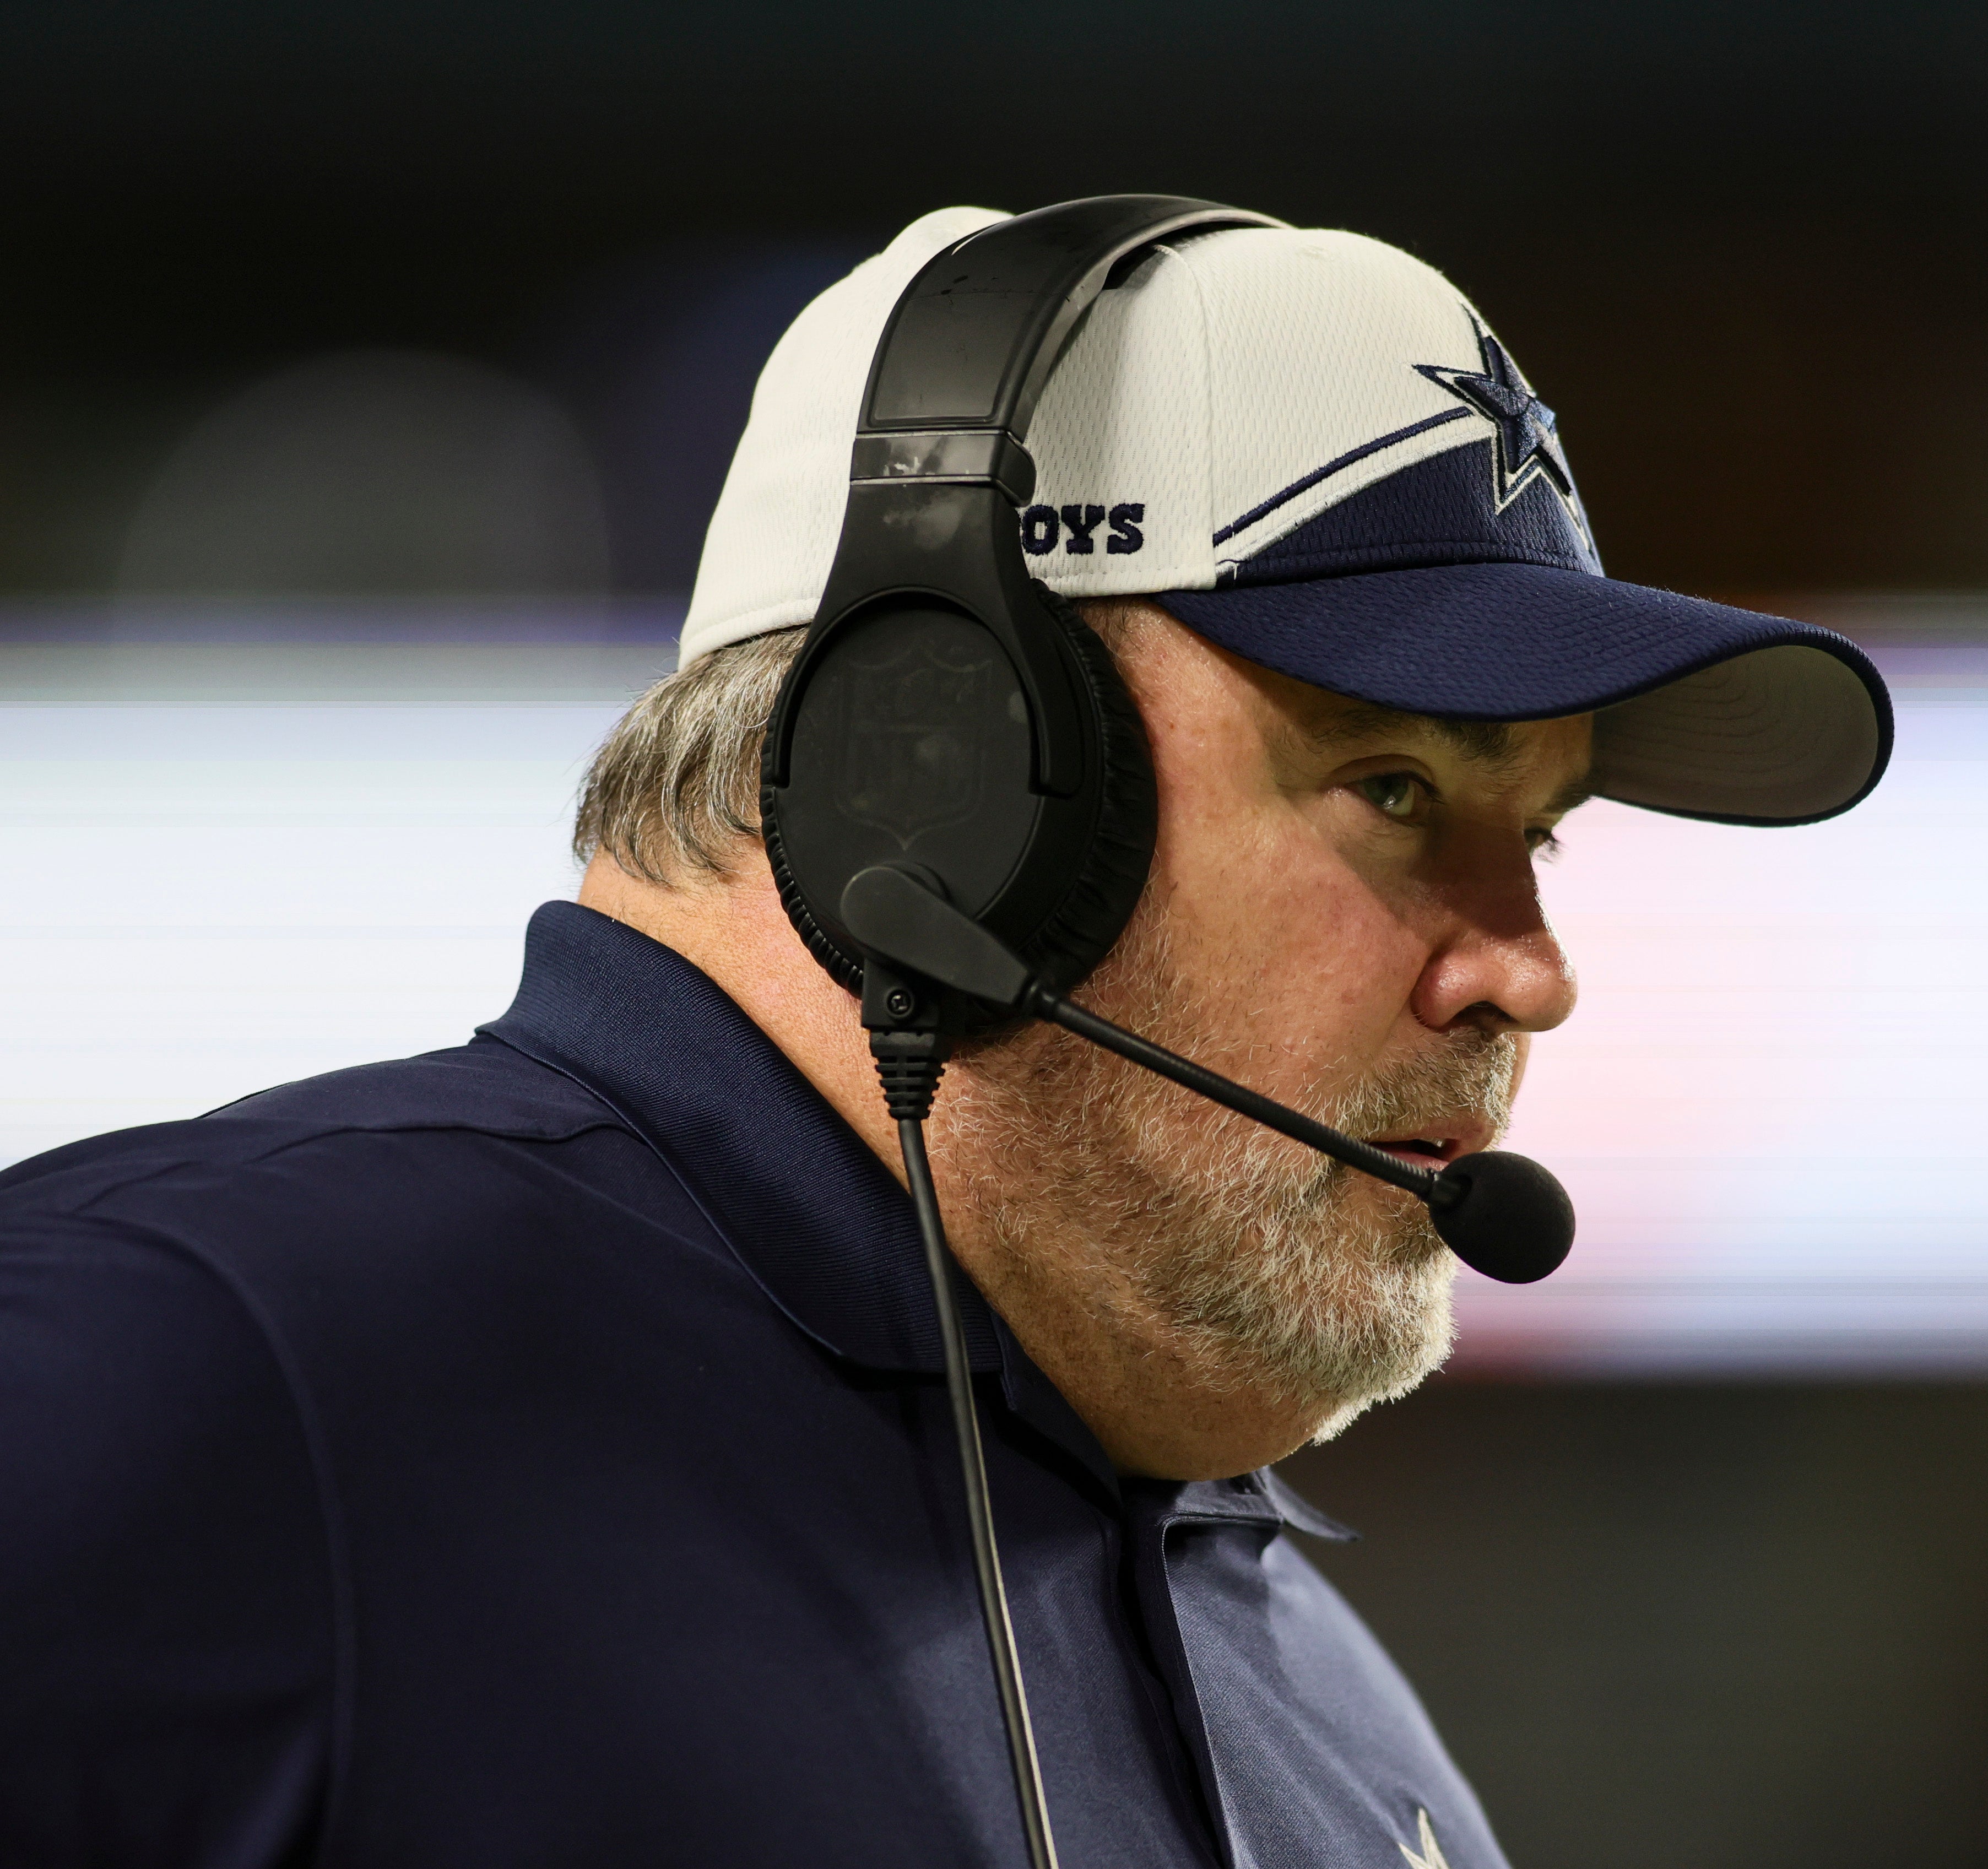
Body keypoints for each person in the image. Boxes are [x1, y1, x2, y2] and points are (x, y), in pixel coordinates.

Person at [0, 205, 1887, 1867]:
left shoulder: (1331, 1719)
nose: (1525, 970)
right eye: (1393, 789)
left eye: (1536, 832)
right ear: (943, 778)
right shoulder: (191, 1376)